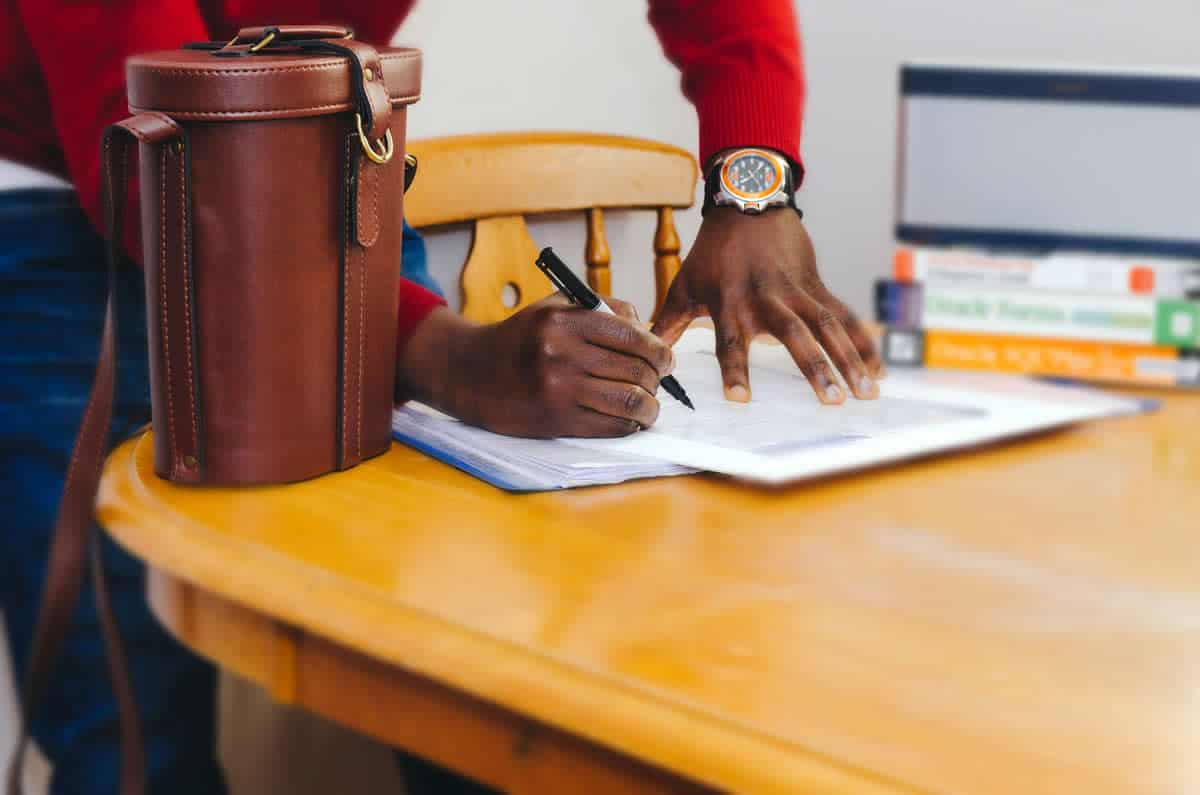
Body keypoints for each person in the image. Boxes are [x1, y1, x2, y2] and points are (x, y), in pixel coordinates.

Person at [0, 1, 881, 793]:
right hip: (65, 200)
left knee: (450, 649)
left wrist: (750, 186)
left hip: (319, 146)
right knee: (126, 742)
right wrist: (451, 359)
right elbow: (137, 146)